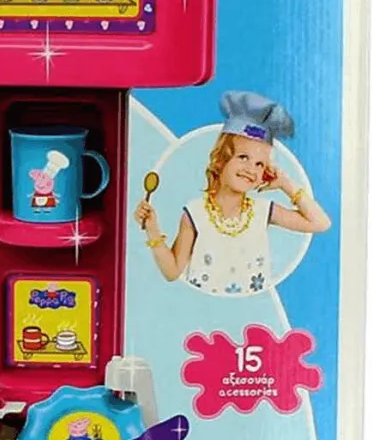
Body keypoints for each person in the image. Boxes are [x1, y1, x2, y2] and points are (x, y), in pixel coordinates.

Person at [135, 91, 330, 296]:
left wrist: (285, 184)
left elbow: (320, 223)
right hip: (207, 308)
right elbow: (172, 271)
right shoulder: (195, 213)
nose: (250, 169)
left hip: (251, 308)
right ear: (221, 160)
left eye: (260, 164)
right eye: (243, 157)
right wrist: (152, 230)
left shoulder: (263, 211)